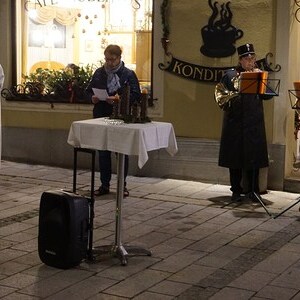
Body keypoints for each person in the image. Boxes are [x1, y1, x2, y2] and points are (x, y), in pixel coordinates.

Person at [215, 43, 272, 202]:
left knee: (254, 156)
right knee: (235, 157)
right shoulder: (230, 75)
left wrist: (263, 79)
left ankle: (253, 191)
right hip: (235, 122)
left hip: (254, 122)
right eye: (247, 59)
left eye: (252, 59)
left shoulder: (258, 74)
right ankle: (236, 190)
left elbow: (267, 96)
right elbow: (223, 98)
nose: (251, 62)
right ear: (240, 60)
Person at [86, 44, 141, 197]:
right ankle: (104, 185)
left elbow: (136, 94)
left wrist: (118, 100)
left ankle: (122, 186)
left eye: (112, 59)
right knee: (103, 151)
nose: (109, 63)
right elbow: (88, 90)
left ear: (119, 58)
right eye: (107, 59)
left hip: (120, 117)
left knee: (120, 152)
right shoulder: (99, 73)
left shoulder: (128, 74)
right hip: (101, 114)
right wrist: (92, 97)